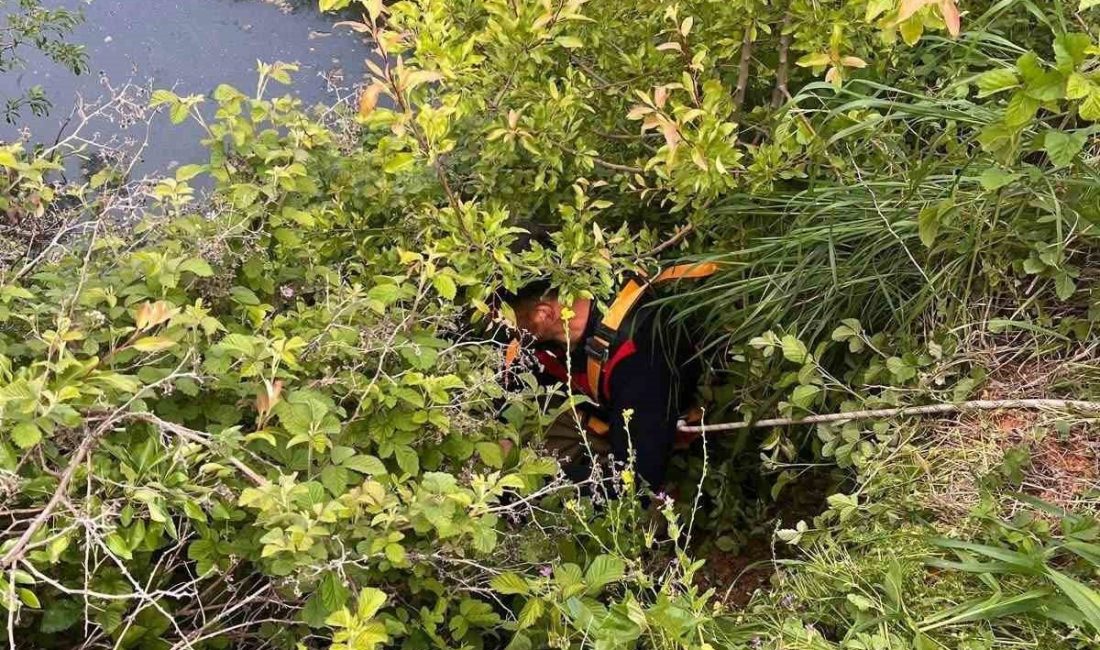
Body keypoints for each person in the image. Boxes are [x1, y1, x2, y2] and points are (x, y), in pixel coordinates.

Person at [496, 262, 713, 491]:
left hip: (641, 438)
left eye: (506, 320)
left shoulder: (638, 356)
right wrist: (504, 428)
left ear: (543, 314)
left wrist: (532, 474)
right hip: (589, 412)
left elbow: (636, 482)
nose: (502, 327)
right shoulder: (552, 328)